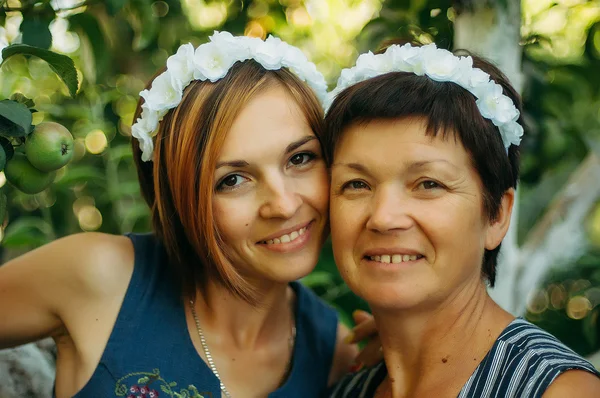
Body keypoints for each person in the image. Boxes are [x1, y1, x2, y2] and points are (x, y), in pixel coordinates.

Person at [0, 31, 359, 398]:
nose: (283, 205)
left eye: (300, 158)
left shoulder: (337, 353)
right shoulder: (98, 276)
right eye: (232, 180)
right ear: (176, 199)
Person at [324, 42, 600, 397]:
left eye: (428, 184)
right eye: (357, 184)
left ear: (497, 216)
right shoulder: (349, 390)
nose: (384, 217)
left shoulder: (556, 391)